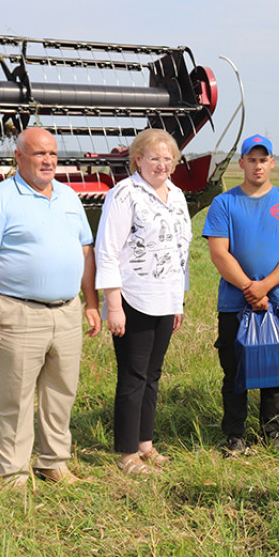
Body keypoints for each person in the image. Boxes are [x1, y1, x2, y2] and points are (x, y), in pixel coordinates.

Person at [0, 127, 101, 488]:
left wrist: (90, 303)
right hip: (19, 312)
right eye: (39, 154)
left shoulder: (70, 197)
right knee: (16, 396)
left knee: (61, 393)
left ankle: (53, 462)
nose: (48, 161)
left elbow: (86, 253)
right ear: (18, 156)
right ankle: (13, 473)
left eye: (53, 154)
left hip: (68, 312)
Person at [203, 134, 279, 455]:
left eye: (263, 160)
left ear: (272, 163)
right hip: (235, 303)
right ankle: (235, 435)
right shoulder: (225, 203)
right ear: (242, 164)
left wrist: (265, 287)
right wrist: (249, 288)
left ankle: (272, 433)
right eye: (251, 159)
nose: (258, 165)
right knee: (234, 371)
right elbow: (219, 253)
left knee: (275, 369)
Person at [95, 129, 192, 476]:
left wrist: (178, 300)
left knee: (153, 376)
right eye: (154, 158)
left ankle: (146, 445)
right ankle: (126, 455)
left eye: (168, 159)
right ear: (138, 159)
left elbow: (180, 251)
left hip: (165, 299)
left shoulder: (177, 196)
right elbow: (106, 251)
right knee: (133, 376)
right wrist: (114, 306)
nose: (162, 165)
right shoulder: (124, 195)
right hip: (133, 299)